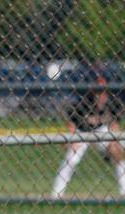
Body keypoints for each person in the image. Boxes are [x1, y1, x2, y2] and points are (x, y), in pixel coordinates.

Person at [50, 71, 125, 199]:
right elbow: (71, 125)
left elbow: (114, 126)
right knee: (71, 159)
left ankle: (124, 191)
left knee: (117, 152)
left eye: (102, 92)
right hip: (82, 132)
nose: (100, 95)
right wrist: (71, 141)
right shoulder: (81, 103)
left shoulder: (113, 103)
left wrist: (114, 142)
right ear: (91, 92)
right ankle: (56, 194)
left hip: (101, 131)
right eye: (97, 92)